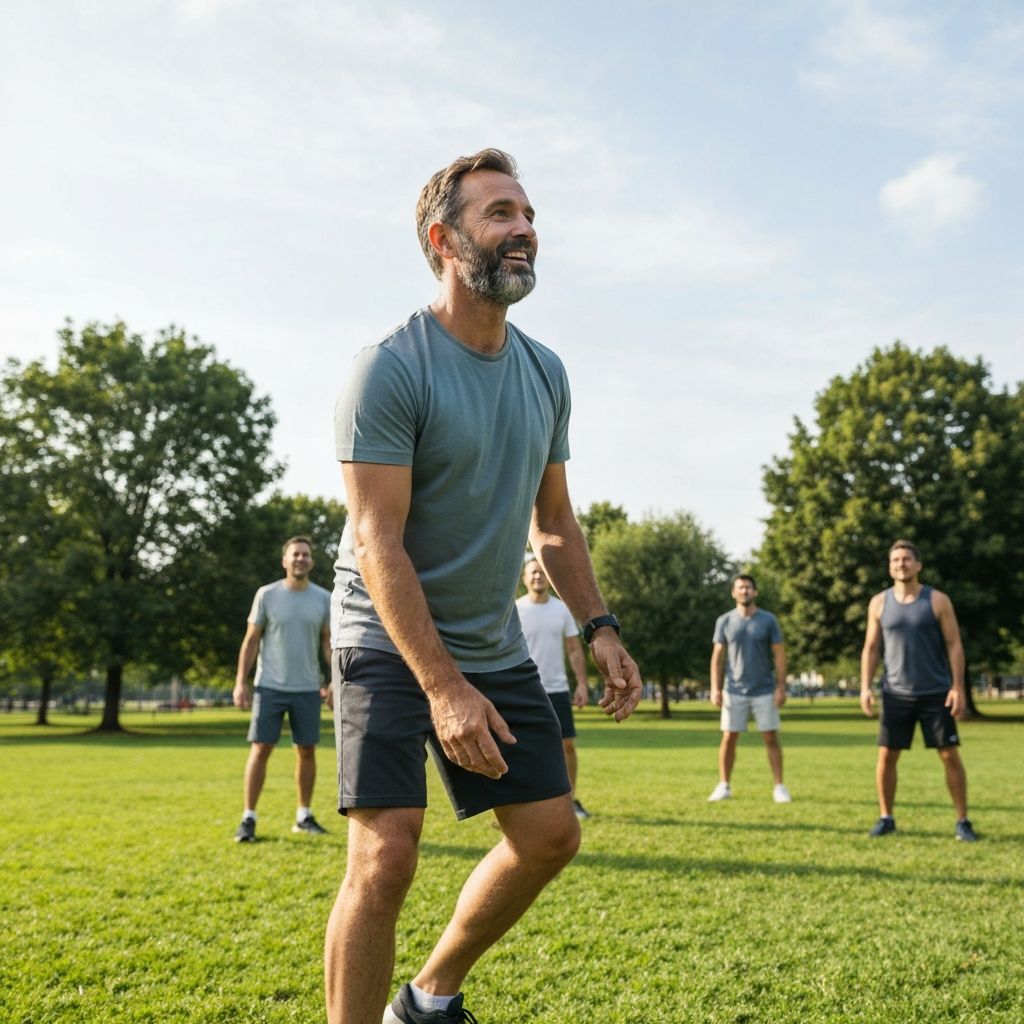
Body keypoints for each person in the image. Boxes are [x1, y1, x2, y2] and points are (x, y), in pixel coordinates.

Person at [324, 148, 643, 1024]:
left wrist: (600, 627)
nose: (526, 230)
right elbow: (375, 539)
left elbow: (555, 524)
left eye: (529, 215)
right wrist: (442, 687)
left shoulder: (546, 372)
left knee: (549, 836)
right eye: (501, 213)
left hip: (487, 638)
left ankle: (428, 999)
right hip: (386, 635)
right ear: (443, 238)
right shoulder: (389, 366)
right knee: (387, 855)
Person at [860, 540, 977, 841]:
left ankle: (962, 821)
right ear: (890, 567)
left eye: (907, 559)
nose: (901, 564)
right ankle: (886, 818)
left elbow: (954, 645)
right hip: (895, 693)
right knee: (887, 756)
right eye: (896, 560)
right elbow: (871, 647)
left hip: (935, 691)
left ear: (918, 565)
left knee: (949, 755)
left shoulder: (937, 600)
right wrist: (864, 687)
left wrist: (957, 687)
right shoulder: (879, 603)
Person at [232, 536, 332, 842]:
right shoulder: (267, 595)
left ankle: (304, 815)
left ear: (311, 562)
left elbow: (328, 644)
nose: (300, 559)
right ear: (284, 561)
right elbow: (251, 641)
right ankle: (248, 818)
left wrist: (334, 681)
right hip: (269, 687)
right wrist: (240, 682)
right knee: (260, 749)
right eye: (295, 555)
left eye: (305, 555)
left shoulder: (324, 598)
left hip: (307, 689)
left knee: (307, 751)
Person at [516, 557, 592, 820]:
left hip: (557, 689)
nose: (538, 577)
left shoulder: (562, 610)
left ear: (549, 577)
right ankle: (519, 805)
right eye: (533, 572)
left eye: (542, 572)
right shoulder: (515, 610)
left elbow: (574, 649)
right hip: (525, 689)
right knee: (520, 748)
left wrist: (582, 683)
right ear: (525, 578)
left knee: (567, 746)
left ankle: (571, 801)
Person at [707, 574, 790, 803]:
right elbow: (717, 658)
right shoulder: (724, 621)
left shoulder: (768, 620)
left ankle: (779, 787)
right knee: (729, 737)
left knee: (770, 737)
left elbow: (779, 655)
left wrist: (781, 687)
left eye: (748, 588)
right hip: (733, 690)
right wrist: (715, 688)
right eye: (740, 588)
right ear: (734, 592)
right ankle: (724, 785)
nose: (744, 591)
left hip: (764, 690)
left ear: (755, 592)